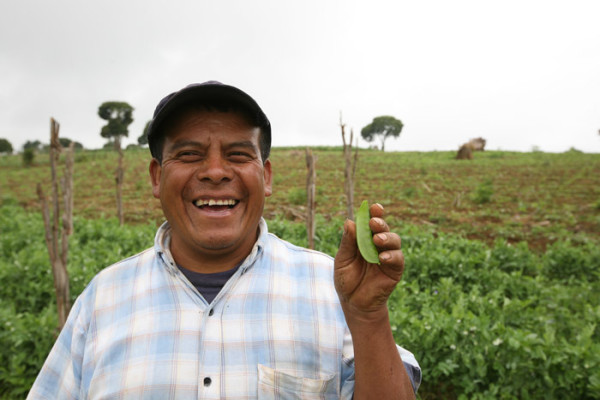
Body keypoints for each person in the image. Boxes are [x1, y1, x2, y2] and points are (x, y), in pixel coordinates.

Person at [27, 81, 421, 399]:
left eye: (237, 154)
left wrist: (368, 318)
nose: (215, 171)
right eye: (189, 154)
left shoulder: (331, 288)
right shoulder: (103, 299)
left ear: (266, 176)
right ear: (156, 177)